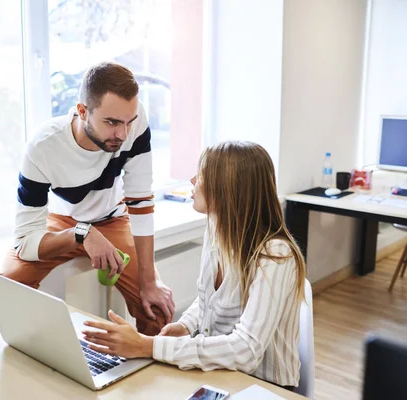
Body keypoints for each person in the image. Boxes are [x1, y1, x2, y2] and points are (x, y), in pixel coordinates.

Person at [81, 141, 306, 388]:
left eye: (202, 175)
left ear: (226, 189)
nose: (192, 180)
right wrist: (186, 326)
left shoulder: (276, 256)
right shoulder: (216, 228)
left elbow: (246, 350)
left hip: (264, 387)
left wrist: (148, 345)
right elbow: (206, 300)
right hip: (220, 375)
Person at [1, 62, 175, 335]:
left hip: (112, 219)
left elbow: (140, 201)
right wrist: (83, 233)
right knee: (8, 285)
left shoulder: (133, 120)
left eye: (129, 122)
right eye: (112, 122)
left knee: (156, 310)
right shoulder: (43, 148)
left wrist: (149, 280)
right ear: (82, 111)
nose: (123, 134)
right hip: (62, 224)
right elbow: (24, 243)